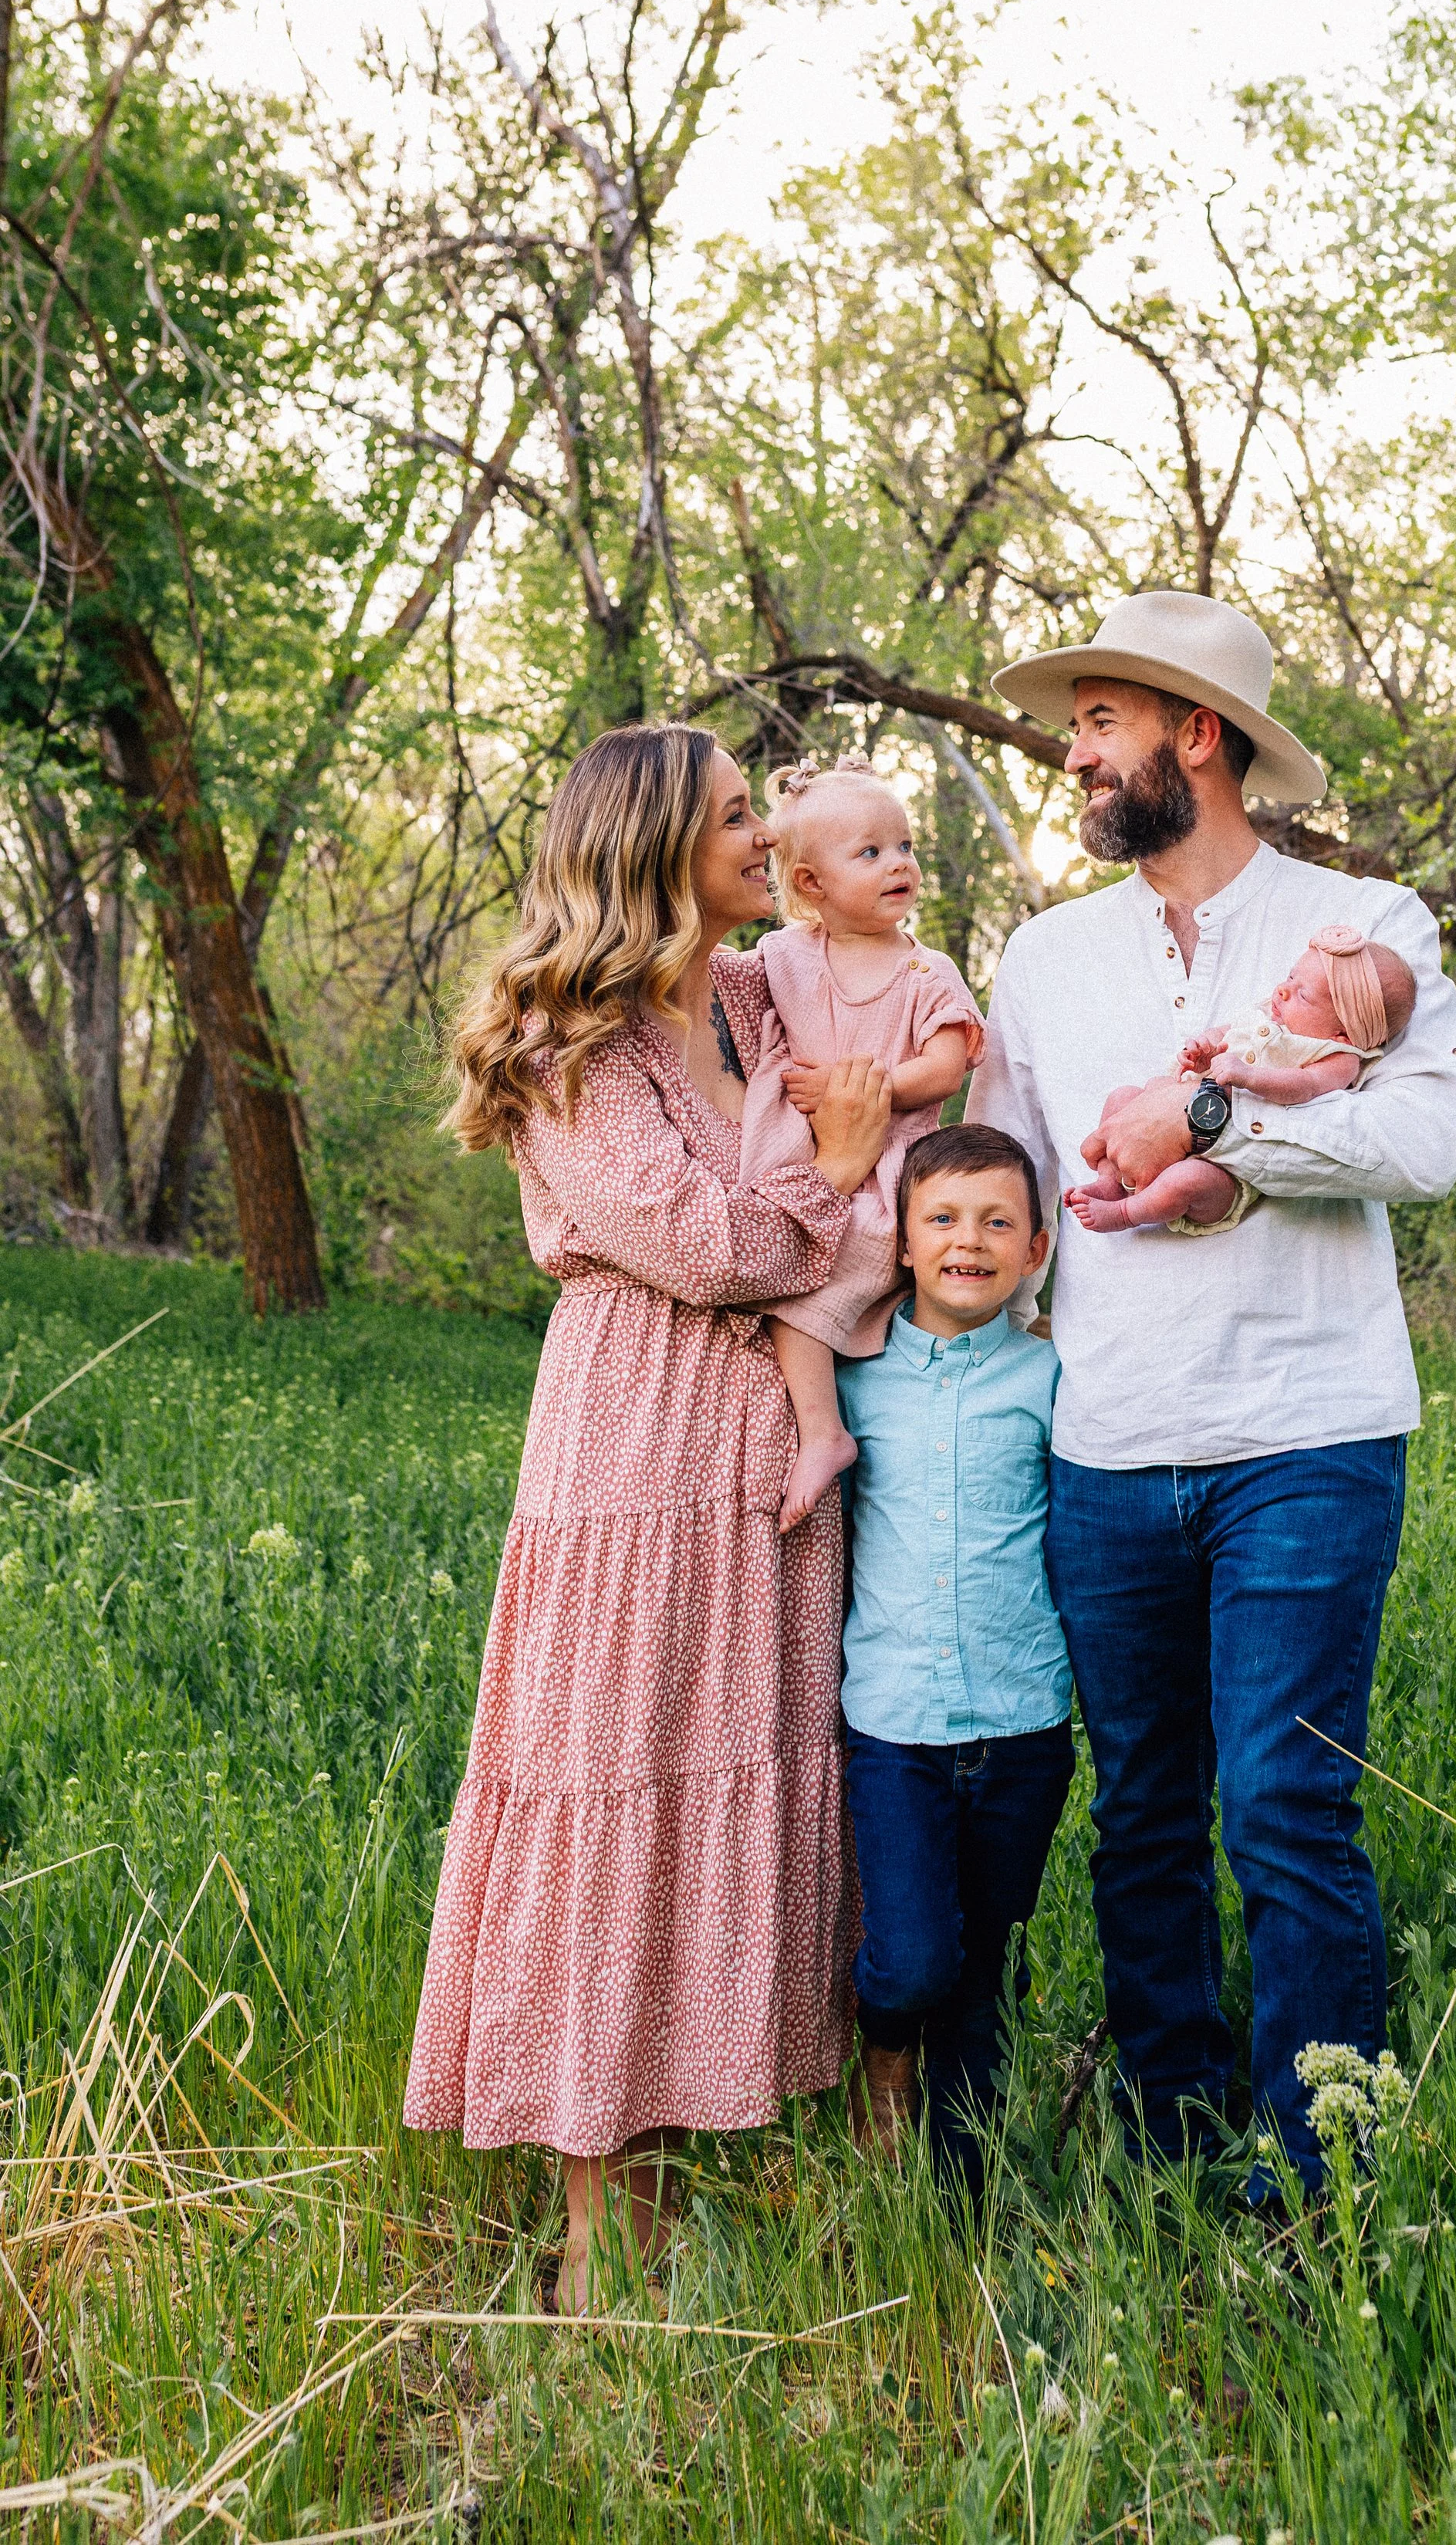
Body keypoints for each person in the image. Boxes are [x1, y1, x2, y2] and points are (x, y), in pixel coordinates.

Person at [968, 589, 1456, 2205]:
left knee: (1283, 1801)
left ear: (1197, 734)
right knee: (1141, 1815)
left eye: (1099, 722)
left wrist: (1215, 1137)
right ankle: (1169, 2117)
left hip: (1308, 1433)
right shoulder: (1042, 959)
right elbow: (1001, 1191)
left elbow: (1423, 1145)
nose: (1074, 754)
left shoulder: (1366, 930)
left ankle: (1321, 2172)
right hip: (1107, 1442)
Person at [403, 723, 894, 2313]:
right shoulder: (570, 1037)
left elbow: (871, 1103)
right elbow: (696, 1240)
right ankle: (602, 2234)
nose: (767, 839)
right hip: (633, 1436)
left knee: (746, 1767)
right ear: (653, 844)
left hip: (776, 1444)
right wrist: (833, 1179)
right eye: (741, 817)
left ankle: (729, 2149)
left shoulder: (755, 1001)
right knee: (618, 1773)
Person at [833, 1124, 1071, 2193]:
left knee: (988, 1964)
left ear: (1035, 1247)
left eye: (995, 1221)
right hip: (892, 1723)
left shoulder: (1057, 1376)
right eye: (942, 1217)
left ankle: (959, 2197)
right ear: (902, 1241)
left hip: (1024, 1724)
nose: (967, 1240)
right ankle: (883, 2051)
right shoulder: (853, 1377)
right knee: (916, 1954)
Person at [738, 755, 982, 1533]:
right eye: (870, 853)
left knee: (806, 1300)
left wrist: (860, 1089)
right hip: (804, 1165)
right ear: (809, 884)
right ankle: (831, 1430)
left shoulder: (923, 969)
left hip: (886, 1179)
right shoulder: (784, 957)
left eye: (904, 847)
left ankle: (825, 1437)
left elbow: (945, 1063)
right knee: (777, 1273)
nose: (899, 865)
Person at [1068, 928, 1419, 1235]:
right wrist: (1204, 1050)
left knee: (1184, 1182)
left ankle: (1127, 1213)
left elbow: (1304, 1085)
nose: (1283, 991)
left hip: (1221, 1169)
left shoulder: (1336, 1056)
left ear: (1343, 1033)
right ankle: (1109, 1183)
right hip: (1173, 1113)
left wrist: (1250, 1077)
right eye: (1290, 978)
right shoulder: (1265, 1014)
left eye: (1304, 995)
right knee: (1123, 1097)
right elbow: (1225, 1034)